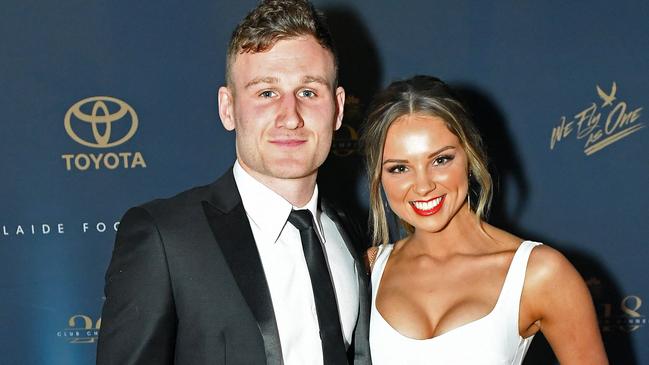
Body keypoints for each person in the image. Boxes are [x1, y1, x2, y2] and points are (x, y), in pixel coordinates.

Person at [96, 1, 371, 364]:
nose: (290, 117)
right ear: (228, 108)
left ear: (337, 109)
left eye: (308, 92)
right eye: (266, 93)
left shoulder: (350, 234)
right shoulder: (165, 239)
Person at [360, 75, 607, 364]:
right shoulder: (368, 269)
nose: (423, 185)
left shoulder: (538, 272)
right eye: (400, 168)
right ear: (379, 176)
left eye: (440, 160)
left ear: (469, 155)